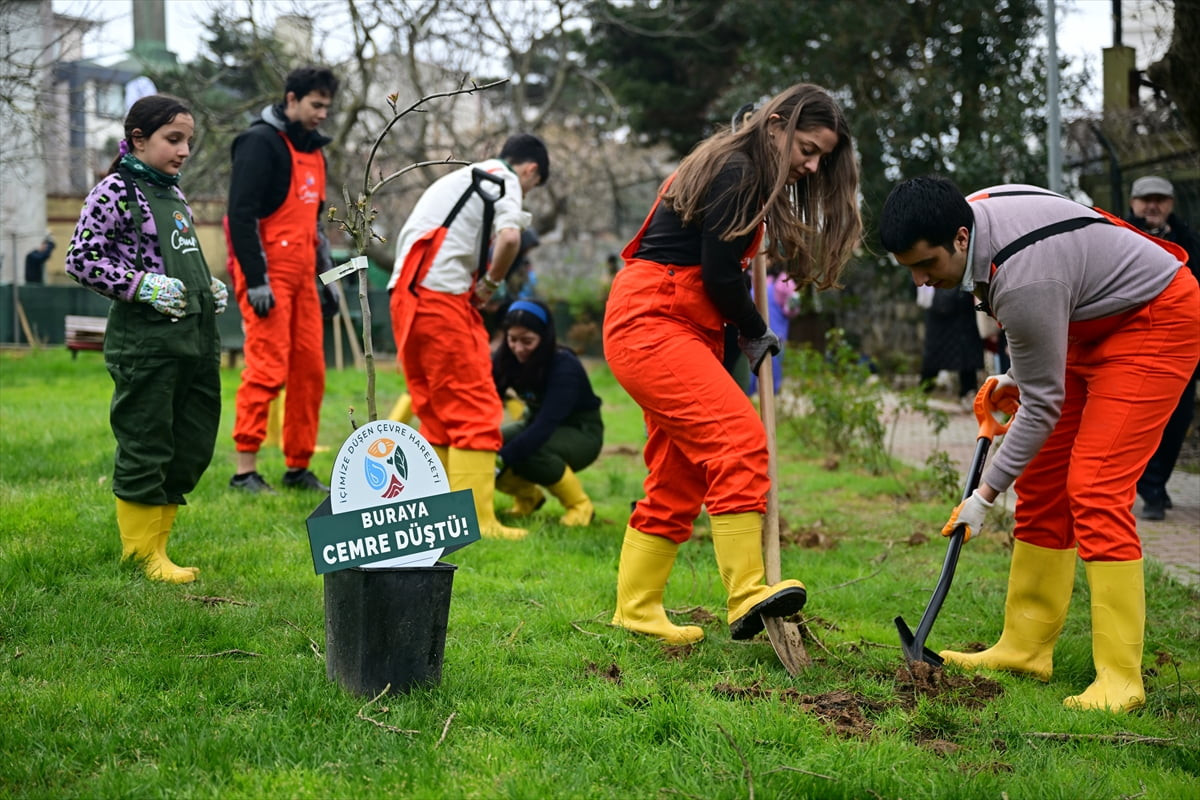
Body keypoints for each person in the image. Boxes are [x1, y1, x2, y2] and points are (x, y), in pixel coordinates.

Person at [879, 176, 1200, 713]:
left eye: (926, 264)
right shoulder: (969, 216)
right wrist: (1019, 373)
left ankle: (1121, 680)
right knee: (1043, 478)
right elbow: (1049, 301)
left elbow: (1042, 403)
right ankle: (1025, 646)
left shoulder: (1022, 277)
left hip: (1153, 320)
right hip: (1085, 319)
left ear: (961, 237)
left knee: (1095, 486)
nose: (920, 280)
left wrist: (983, 497)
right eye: (908, 268)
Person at [603, 83, 862, 645]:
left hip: (672, 321)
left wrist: (734, 342)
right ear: (777, 126)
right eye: (808, 150)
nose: (812, 167)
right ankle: (746, 593)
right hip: (654, 320)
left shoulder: (743, 168)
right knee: (738, 441)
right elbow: (720, 276)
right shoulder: (739, 171)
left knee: (679, 474)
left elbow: (715, 280)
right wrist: (755, 329)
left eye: (821, 158)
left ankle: (636, 609)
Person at [64, 94, 226, 584]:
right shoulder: (114, 192)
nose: (184, 151)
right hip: (146, 343)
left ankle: (160, 548)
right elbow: (81, 258)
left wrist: (206, 285)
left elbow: (173, 254)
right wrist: (142, 286)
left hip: (194, 339)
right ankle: (141, 556)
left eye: (188, 141)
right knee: (146, 441)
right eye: (173, 139)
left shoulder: (174, 195)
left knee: (189, 441)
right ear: (138, 139)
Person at [387, 133, 550, 539]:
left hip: (407, 296)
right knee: (474, 404)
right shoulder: (503, 179)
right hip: (440, 299)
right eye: (533, 185)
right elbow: (510, 237)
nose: (526, 191)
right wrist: (490, 285)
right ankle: (477, 522)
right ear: (530, 170)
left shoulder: (464, 178)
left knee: (436, 410)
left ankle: (440, 512)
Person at [225, 65, 340, 494]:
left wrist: (328, 279)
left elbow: (316, 227)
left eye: (327, 107)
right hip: (266, 276)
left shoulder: (316, 153)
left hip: (304, 278)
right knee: (267, 368)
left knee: (310, 372)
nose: (322, 114)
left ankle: (298, 467)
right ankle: (244, 471)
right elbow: (239, 216)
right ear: (291, 99)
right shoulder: (258, 143)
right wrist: (256, 279)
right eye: (316, 105)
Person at [1126, 175, 1200, 521]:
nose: (1152, 206)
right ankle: (1150, 488)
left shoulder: (1189, 241)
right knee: (1138, 420)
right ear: (1133, 202)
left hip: (1181, 344)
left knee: (1179, 418)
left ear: (1170, 203)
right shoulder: (1120, 235)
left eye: (1160, 199)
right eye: (1146, 199)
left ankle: (1157, 482)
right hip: (1133, 343)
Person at [492, 299, 603, 526]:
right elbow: (489, 397)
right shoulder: (505, 358)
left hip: (580, 431)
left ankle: (580, 507)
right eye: (513, 339)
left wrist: (503, 460)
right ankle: (528, 498)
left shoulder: (565, 367)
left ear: (544, 338)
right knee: (487, 445)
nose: (518, 348)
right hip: (533, 422)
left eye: (527, 341)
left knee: (529, 451)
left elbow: (545, 426)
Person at [918, 285, 984, 410]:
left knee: (967, 361)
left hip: (964, 314)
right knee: (933, 360)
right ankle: (922, 393)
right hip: (941, 314)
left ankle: (968, 395)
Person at [747, 259, 800, 396]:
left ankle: (773, 401)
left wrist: (792, 305)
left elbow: (793, 307)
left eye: (768, 257)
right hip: (752, 336)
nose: (764, 260)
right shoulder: (751, 277)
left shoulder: (783, 280)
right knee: (748, 377)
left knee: (772, 375)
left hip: (775, 336)